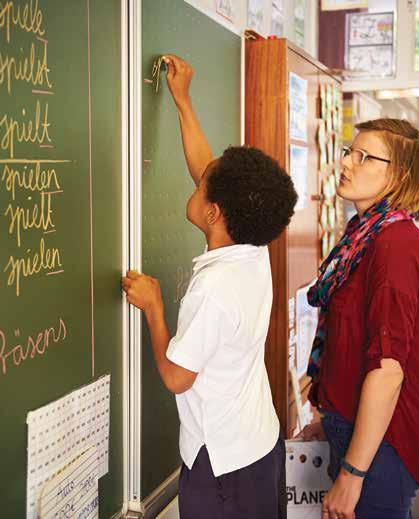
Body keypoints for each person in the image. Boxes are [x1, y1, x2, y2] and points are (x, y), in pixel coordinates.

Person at [122, 55, 297, 518]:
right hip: (256, 444)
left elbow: (178, 377)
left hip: (222, 467)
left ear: (215, 212)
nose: (198, 180)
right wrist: (183, 102)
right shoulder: (253, 245)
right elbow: (210, 171)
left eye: (204, 186)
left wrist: (154, 309)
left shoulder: (215, 289)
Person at [299, 119, 419, 519]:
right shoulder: (363, 234)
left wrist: (353, 475)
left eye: (364, 157)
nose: (346, 163)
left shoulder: (396, 243)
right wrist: (330, 420)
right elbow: (349, 345)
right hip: (355, 429)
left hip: (381, 449)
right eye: (348, 151)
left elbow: (388, 371)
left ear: (399, 175)